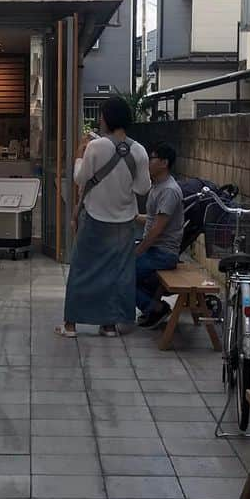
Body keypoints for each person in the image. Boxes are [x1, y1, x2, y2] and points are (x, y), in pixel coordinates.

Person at [56, 95, 151, 338]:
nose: (99, 119)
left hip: (95, 217)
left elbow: (80, 178)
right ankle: (109, 324)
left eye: (101, 115)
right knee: (116, 272)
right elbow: (142, 188)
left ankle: (71, 325)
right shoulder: (139, 150)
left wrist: (79, 155)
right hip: (124, 221)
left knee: (82, 269)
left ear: (108, 118)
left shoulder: (96, 147)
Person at [134, 142, 185, 328]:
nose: (149, 161)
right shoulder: (157, 186)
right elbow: (152, 220)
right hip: (155, 251)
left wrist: (138, 251)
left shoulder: (169, 191)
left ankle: (155, 308)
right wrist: (132, 217)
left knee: (122, 273)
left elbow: (157, 229)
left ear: (164, 163)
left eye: (152, 158)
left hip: (162, 253)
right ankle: (152, 306)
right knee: (121, 267)